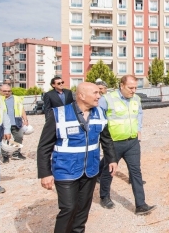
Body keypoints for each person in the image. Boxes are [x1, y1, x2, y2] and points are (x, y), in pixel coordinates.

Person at [37, 82, 118, 233]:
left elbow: (106, 139)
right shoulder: (58, 114)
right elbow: (44, 146)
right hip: (65, 170)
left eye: (99, 93)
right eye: (95, 93)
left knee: (82, 209)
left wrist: (112, 159)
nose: (99, 96)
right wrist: (45, 173)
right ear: (81, 95)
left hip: (90, 169)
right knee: (68, 208)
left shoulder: (100, 112)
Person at [98, 75, 156, 215]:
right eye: (130, 88)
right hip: (113, 143)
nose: (133, 90)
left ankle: (141, 205)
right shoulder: (107, 99)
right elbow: (99, 119)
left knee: (136, 172)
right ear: (122, 85)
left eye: (135, 87)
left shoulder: (136, 98)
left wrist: (139, 129)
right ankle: (104, 196)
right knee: (109, 171)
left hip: (132, 142)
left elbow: (139, 114)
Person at [0, 84, 28, 163]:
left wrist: (25, 119)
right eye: (4, 91)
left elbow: (21, 109)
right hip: (3, 123)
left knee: (19, 137)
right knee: (4, 140)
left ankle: (16, 154)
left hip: (16, 122)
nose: (7, 92)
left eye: (9, 91)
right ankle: (5, 156)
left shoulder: (16, 98)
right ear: (0, 91)